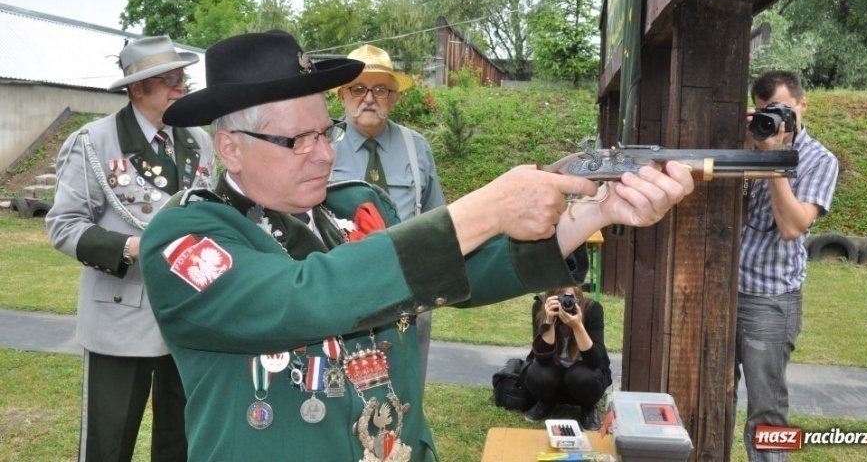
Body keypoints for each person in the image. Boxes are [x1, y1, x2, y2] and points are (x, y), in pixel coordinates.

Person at [137, 29, 695, 461]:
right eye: (297, 141)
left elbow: (455, 275)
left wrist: (595, 211)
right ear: (230, 149)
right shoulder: (186, 237)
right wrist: (482, 209)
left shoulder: (350, 207)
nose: (326, 154)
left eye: (325, 131)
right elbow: (307, 297)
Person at [46, 35, 216, 462]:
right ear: (138, 88)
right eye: (170, 80)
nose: (182, 87)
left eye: (183, 78)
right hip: (120, 316)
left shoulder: (200, 141)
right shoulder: (94, 141)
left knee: (181, 443)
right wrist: (135, 247)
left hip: (188, 316)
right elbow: (64, 226)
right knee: (109, 444)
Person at [733, 70, 839, 461]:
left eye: (780, 111)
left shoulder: (819, 160)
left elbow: (793, 226)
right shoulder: (748, 146)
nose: (772, 120)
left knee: (768, 410)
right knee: (714, 391)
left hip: (771, 300)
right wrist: (746, 144)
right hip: (726, 289)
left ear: (802, 105)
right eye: (763, 112)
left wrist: (775, 159)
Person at [332, 44, 445, 388]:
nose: (369, 98)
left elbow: (436, 219)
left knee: (407, 382)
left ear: (394, 98)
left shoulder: (416, 147)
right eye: (358, 88)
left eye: (380, 89)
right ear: (342, 96)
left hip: (406, 287)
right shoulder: (320, 145)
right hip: (340, 284)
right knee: (342, 388)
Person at [522, 287, 611, 432]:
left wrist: (577, 326)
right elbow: (542, 359)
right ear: (550, 297)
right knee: (537, 373)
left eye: (570, 298)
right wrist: (548, 321)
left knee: (583, 377)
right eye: (560, 298)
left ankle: (588, 408)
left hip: (582, 377)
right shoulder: (540, 307)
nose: (565, 303)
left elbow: (595, 362)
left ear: (578, 298)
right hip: (555, 376)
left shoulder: (592, 309)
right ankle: (546, 401)